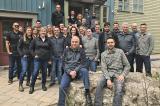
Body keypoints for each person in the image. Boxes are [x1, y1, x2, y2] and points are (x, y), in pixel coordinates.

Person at [94, 37, 130, 106]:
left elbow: (127, 65)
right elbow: (104, 68)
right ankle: (97, 104)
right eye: (108, 43)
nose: (110, 44)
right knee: (99, 84)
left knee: (119, 88)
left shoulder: (120, 52)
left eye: (111, 42)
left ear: (114, 43)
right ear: (106, 44)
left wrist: (123, 75)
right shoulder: (103, 54)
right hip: (108, 73)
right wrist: (108, 79)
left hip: (118, 74)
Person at [58, 36, 92, 106]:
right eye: (73, 42)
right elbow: (64, 63)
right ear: (71, 42)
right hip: (68, 72)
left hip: (78, 71)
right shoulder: (66, 50)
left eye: (76, 42)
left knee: (85, 70)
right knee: (62, 87)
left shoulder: (81, 50)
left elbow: (83, 63)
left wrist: (75, 71)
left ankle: (87, 92)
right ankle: (61, 104)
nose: (74, 43)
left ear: (79, 43)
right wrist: (69, 72)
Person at [29, 27, 52, 94]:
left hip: (45, 60)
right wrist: (34, 55)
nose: (43, 32)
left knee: (44, 73)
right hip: (37, 59)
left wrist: (50, 59)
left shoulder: (48, 40)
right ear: (39, 32)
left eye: (44, 31)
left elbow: (51, 50)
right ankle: (32, 86)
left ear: (46, 32)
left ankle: (43, 85)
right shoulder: (35, 40)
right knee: (35, 72)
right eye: (42, 31)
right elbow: (31, 48)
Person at [17, 27, 33, 92]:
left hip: (31, 57)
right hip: (24, 57)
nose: (29, 31)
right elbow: (18, 47)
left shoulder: (33, 39)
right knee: (24, 70)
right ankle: (20, 84)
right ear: (26, 31)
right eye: (28, 30)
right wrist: (22, 54)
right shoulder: (22, 38)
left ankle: (28, 81)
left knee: (29, 70)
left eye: (30, 30)